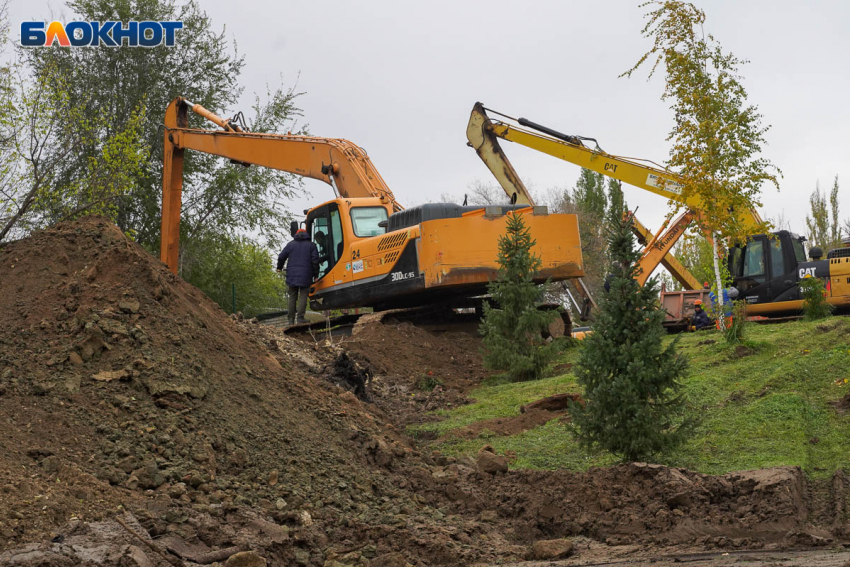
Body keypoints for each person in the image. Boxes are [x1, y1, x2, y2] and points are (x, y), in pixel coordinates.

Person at [276, 229, 320, 326]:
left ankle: (291, 320)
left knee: (292, 296)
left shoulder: (290, 244)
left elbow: (281, 256)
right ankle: (300, 318)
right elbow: (315, 261)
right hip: (306, 274)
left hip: (291, 274)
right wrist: (316, 275)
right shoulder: (311, 245)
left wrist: (279, 267)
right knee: (303, 295)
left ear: (296, 234)